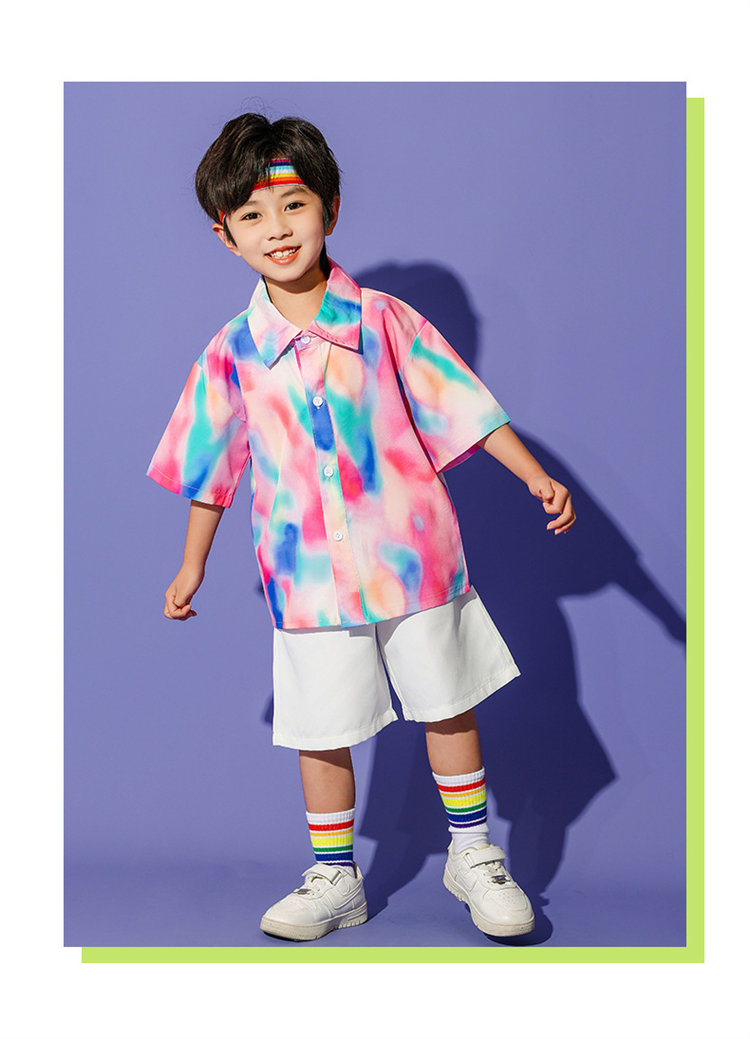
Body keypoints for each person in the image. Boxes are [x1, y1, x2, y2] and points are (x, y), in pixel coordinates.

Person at [147, 112, 576, 943]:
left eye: (294, 205)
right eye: (252, 215)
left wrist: (533, 475)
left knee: (447, 701)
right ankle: (335, 875)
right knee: (324, 723)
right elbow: (209, 469)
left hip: (413, 558)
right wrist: (190, 564)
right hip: (308, 578)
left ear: (331, 208)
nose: (277, 229)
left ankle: (473, 854)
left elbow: (463, 404)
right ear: (225, 235)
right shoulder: (231, 354)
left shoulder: (385, 321)